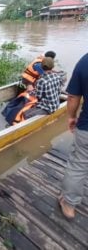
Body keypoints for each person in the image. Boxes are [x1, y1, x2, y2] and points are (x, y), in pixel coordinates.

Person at [59, 53, 88, 219]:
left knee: (78, 166)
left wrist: (71, 116)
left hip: (86, 128)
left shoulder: (85, 61)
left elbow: (72, 97)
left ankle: (69, 204)